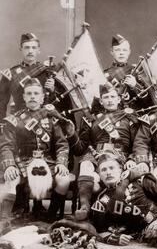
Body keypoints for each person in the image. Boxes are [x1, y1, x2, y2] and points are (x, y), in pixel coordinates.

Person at [64, 82, 139, 220]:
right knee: (85, 164)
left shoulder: (130, 116)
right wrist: (72, 134)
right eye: (106, 97)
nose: (109, 100)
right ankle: (85, 208)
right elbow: (80, 149)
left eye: (112, 96)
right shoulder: (91, 119)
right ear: (101, 101)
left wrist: (132, 159)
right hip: (96, 155)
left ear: (118, 99)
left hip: (120, 156)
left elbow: (137, 143)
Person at [0, 78, 70, 221]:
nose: (32, 96)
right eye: (29, 93)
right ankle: (5, 220)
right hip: (23, 161)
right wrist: (9, 166)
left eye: (36, 93)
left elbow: (61, 144)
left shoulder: (52, 118)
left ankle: (51, 216)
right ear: (24, 97)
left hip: (48, 161)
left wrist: (61, 163)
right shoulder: (15, 120)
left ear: (42, 97)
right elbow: (6, 146)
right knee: (11, 179)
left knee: (63, 179)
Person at [0, 33, 57, 120]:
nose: (30, 51)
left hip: (44, 121)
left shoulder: (47, 72)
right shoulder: (10, 74)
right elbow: (1, 103)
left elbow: (55, 103)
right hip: (20, 122)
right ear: (21, 49)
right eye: (27, 47)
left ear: (38, 50)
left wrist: (52, 90)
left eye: (34, 48)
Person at [91, 34, 149, 113]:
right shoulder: (104, 75)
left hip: (133, 117)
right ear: (112, 52)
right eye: (117, 50)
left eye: (124, 50)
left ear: (129, 52)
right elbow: (97, 103)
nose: (121, 53)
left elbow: (149, 101)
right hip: (112, 118)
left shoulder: (137, 71)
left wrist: (135, 85)